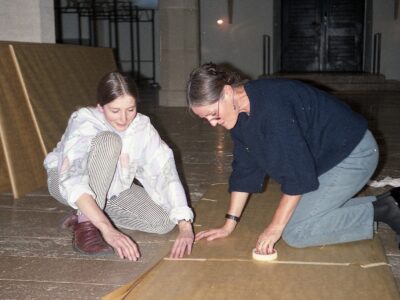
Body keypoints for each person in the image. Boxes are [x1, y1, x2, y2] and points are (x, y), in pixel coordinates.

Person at [186, 62, 400, 255]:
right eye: (205, 119)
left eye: (213, 114)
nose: (213, 123)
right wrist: (229, 224)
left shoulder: (271, 108)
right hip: (325, 159)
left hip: (354, 154)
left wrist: (275, 227)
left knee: (296, 232)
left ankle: (388, 211)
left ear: (226, 92)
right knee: (298, 217)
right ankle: (389, 202)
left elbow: (297, 176)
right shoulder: (240, 111)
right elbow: (245, 168)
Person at [44, 71, 194, 260]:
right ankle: (86, 222)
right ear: (100, 107)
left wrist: (185, 225)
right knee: (109, 141)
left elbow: (164, 172)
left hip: (114, 189)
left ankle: (88, 211)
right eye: (115, 111)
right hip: (65, 181)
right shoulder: (85, 119)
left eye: (130, 109)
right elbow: (73, 176)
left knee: (162, 222)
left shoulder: (142, 127)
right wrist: (107, 229)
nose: (124, 119)